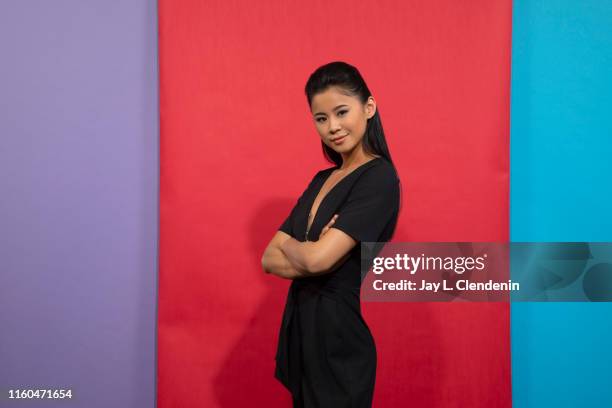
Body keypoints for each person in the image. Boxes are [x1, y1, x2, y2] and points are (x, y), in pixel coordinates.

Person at [261, 61, 401, 408]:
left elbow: (317, 258)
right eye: (321, 119)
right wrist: (310, 250)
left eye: (341, 112)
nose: (332, 127)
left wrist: (301, 249)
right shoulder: (321, 180)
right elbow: (268, 257)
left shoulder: (379, 178)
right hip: (303, 336)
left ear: (368, 108)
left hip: (339, 345)